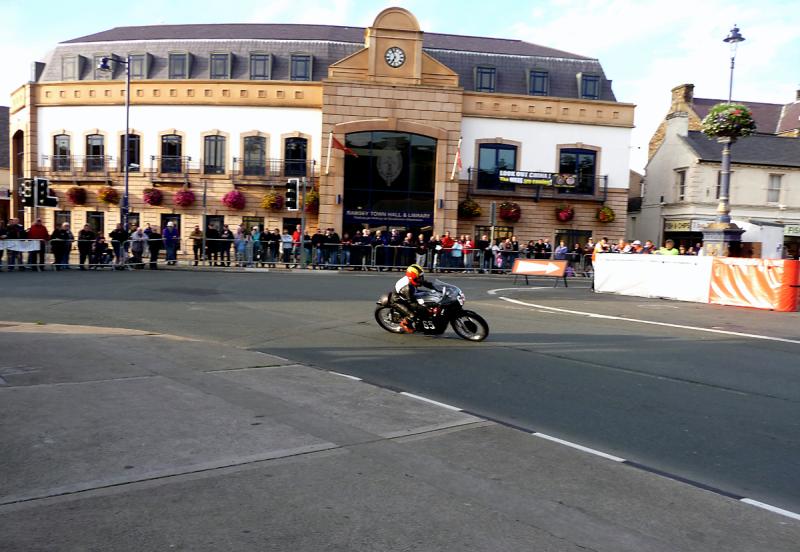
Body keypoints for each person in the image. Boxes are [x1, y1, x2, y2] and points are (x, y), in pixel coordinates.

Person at [393, 263, 435, 333]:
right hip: (399, 300)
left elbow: (425, 283)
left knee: (429, 295)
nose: (421, 279)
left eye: (421, 277)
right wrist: (425, 308)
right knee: (413, 314)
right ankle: (404, 323)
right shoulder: (407, 288)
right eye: (419, 278)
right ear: (413, 278)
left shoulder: (414, 279)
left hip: (410, 294)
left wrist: (436, 288)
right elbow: (411, 303)